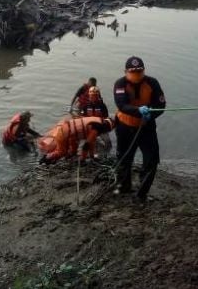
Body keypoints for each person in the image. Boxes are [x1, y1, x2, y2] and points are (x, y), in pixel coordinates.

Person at [113, 56, 165, 202]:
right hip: (125, 127)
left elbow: (161, 105)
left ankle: (141, 193)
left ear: (143, 71)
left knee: (151, 160)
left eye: (139, 72)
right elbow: (121, 105)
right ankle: (124, 186)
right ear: (126, 71)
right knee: (124, 158)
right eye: (133, 72)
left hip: (146, 127)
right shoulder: (120, 84)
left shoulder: (152, 83)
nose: (136, 75)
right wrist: (138, 110)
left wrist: (151, 114)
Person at [38, 117, 115, 164]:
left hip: (70, 133)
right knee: (61, 152)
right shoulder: (97, 128)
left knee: (73, 151)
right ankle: (45, 159)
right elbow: (87, 145)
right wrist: (83, 159)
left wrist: (92, 156)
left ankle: (68, 158)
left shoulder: (98, 120)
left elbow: (92, 142)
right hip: (64, 133)